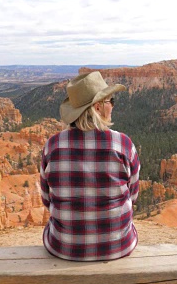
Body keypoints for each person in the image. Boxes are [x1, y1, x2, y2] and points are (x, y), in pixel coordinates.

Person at [39, 71, 140, 261]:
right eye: (110, 101)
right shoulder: (123, 144)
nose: (112, 107)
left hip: (64, 248)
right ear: (98, 107)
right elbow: (132, 196)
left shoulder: (52, 146)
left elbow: (47, 200)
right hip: (117, 246)